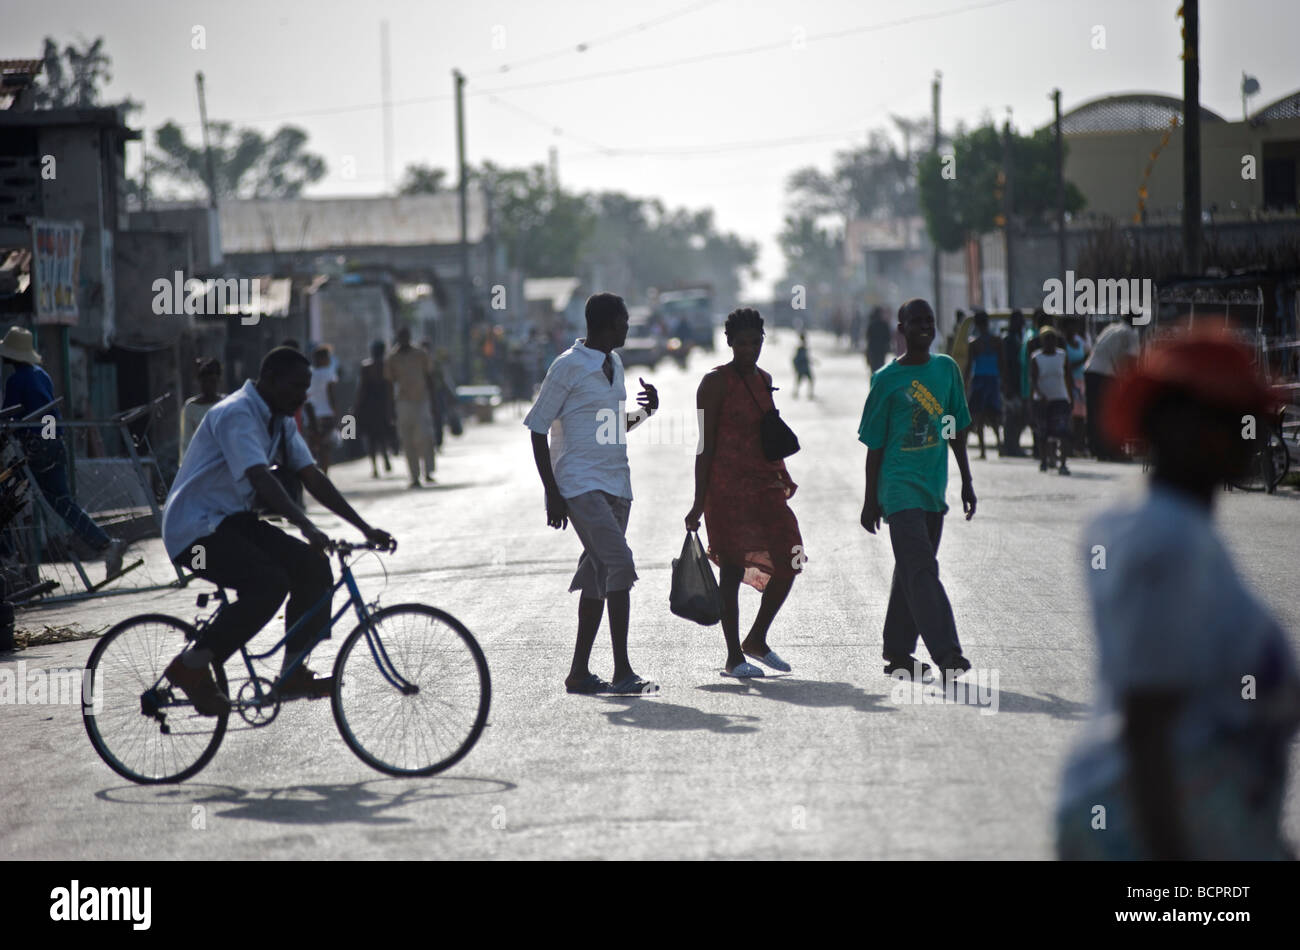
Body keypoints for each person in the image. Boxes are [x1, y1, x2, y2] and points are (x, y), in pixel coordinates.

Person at [1056, 328, 1300, 860]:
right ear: (1179, 425)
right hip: (1142, 829)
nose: (1250, 429)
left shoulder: (1173, 527)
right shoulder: (1163, 541)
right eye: (1233, 414)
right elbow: (1147, 723)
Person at [160, 346, 392, 715]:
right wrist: (305, 524)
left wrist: (365, 527)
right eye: (297, 386)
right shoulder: (237, 414)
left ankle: (292, 672)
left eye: (307, 387)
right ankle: (191, 665)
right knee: (268, 583)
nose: (303, 395)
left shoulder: (279, 419)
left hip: (232, 521)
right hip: (195, 529)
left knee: (312, 567)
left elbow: (311, 476)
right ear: (269, 381)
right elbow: (259, 477)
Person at [525, 292, 660, 696]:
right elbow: (537, 427)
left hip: (616, 482)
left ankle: (579, 673)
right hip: (579, 484)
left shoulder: (614, 364)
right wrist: (552, 492)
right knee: (619, 563)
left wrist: (645, 412)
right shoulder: (567, 366)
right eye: (623, 321)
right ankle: (622, 672)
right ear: (606, 323)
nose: (627, 327)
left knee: (597, 577)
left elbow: (611, 428)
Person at [859, 299, 976, 685]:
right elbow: (875, 445)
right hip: (898, 489)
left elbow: (951, 427)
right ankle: (948, 653)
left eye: (929, 320)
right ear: (902, 328)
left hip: (932, 489)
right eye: (916, 322)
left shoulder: (945, 371)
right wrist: (870, 499)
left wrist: (967, 481)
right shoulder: (886, 380)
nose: (924, 327)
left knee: (911, 569)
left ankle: (897, 651)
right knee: (923, 569)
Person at [685, 307, 803, 678]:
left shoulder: (765, 378)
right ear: (729, 343)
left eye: (756, 342)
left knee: (792, 559)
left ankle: (757, 639)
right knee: (732, 569)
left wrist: (782, 477)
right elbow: (704, 444)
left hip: (765, 485)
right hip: (725, 491)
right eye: (742, 343)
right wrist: (697, 502)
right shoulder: (713, 383)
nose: (750, 349)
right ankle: (734, 656)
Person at [0, 326, 127, 577]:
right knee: (62, 502)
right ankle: (105, 544)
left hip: (35, 448)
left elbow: (9, 418)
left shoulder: (16, 380)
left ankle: (8, 559)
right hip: (54, 443)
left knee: (5, 497)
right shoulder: (41, 374)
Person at [385, 327, 437, 488]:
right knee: (407, 440)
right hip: (403, 401)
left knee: (425, 436)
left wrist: (434, 401)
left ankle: (428, 471)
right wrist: (390, 407)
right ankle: (414, 476)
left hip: (421, 400)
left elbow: (429, 376)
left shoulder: (420, 354)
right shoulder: (392, 358)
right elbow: (389, 382)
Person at [1084, 315, 1140, 461]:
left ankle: (1096, 448)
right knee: (1106, 413)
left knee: (1094, 412)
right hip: (1106, 373)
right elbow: (1131, 361)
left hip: (1091, 370)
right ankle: (1109, 450)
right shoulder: (1130, 333)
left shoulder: (1111, 328)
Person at [1031, 327, 1073, 475]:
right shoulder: (1036, 357)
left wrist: (1071, 397)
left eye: (1052, 338)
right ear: (1042, 341)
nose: (1050, 342)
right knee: (1043, 433)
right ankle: (1044, 461)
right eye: (1047, 339)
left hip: (1060, 398)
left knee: (1063, 433)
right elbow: (1034, 381)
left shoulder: (1062, 355)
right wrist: (1039, 394)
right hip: (1043, 400)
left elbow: (1068, 377)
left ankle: (1063, 463)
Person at [963, 310, 1003, 459]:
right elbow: (1002, 363)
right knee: (994, 415)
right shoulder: (997, 341)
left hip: (979, 380)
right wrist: (1003, 380)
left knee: (978, 415)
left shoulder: (974, 343)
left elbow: (969, 366)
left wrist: (965, 383)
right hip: (993, 379)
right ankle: (1000, 444)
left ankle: (983, 450)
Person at [353, 340, 394, 478]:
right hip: (381, 404)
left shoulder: (367, 366)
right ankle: (384, 459)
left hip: (369, 405)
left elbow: (361, 389)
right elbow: (389, 388)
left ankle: (375, 467)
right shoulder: (385, 366)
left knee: (371, 438)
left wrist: (357, 406)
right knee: (382, 435)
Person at [180, 358, 225, 462]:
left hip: (224, 459)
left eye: (212, 381)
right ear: (199, 382)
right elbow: (186, 443)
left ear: (218, 381)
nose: (208, 385)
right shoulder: (191, 407)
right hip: (200, 461)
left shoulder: (227, 403)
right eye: (204, 381)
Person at [306, 344, 338, 473]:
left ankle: (313, 473)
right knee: (326, 447)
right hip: (326, 414)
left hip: (311, 413)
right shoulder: (328, 373)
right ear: (323, 359)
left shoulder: (309, 373)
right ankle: (325, 474)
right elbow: (332, 394)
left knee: (313, 446)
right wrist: (336, 411)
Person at [999, 310, 1027, 457]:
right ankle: (1010, 446)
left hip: (1018, 382)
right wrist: (1006, 385)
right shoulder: (1008, 340)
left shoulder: (1018, 338)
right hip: (1011, 383)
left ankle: (1013, 445)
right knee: (1011, 417)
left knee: (1018, 416)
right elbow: (1005, 365)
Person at [1062, 317, 1091, 455]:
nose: (1073, 330)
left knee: (1081, 416)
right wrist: (1082, 361)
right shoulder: (1063, 344)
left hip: (1081, 381)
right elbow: (1066, 365)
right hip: (1070, 382)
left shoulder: (1079, 341)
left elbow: (1089, 352)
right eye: (1070, 327)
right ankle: (1069, 446)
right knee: (1071, 416)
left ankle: (1079, 446)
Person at [866, 306, 892, 377]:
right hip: (882, 350)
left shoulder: (871, 324)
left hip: (873, 349)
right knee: (881, 366)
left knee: (873, 368)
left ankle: (874, 380)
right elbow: (888, 337)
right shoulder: (884, 324)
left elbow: (868, 337)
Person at [792, 333, 814, 398]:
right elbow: (797, 358)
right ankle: (796, 393)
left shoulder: (804, 347)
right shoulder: (800, 348)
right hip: (802, 368)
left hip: (805, 367)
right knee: (801, 381)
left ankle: (808, 394)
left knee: (809, 380)